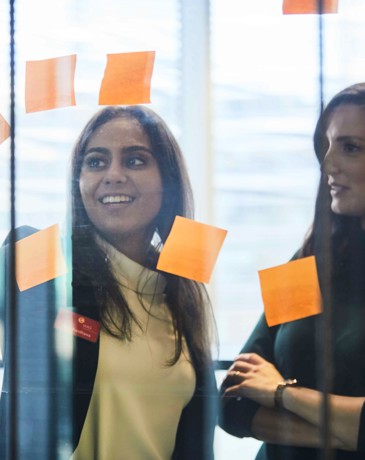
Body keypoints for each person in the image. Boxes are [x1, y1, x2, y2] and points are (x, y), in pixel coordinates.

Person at [0, 106, 217, 459]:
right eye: (96, 162)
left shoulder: (181, 291)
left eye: (135, 161)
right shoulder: (45, 257)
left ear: (168, 180)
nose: (112, 175)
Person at [219, 83, 365, 459]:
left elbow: (260, 394)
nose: (328, 164)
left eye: (351, 148)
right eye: (328, 146)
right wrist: (349, 434)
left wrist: (281, 394)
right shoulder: (307, 261)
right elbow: (230, 404)